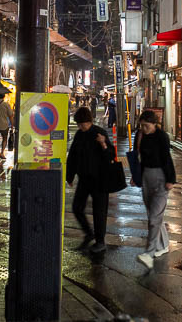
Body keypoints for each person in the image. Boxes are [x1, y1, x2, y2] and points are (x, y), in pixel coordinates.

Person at [133, 110, 176, 270]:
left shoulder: (162, 137)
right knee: (154, 214)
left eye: (146, 126)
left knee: (154, 217)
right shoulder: (141, 135)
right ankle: (163, 245)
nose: (143, 129)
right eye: (141, 126)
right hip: (146, 176)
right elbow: (140, 158)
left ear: (154, 124)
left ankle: (149, 253)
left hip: (161, 177)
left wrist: (171, 179)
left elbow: (167, 158)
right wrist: (136, 176)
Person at [67, 107, 114, 254]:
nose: (81, 127)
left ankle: (100, 242)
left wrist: (103, 143)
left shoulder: (99, 133)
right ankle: (89, 233)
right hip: (84, 179)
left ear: (90, 121)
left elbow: (111, 155)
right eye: (79, 124)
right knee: (77, 207)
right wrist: (70, 175)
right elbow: (73, 156)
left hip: (100, 180)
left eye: (83, 124)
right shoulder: (80, 135)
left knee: (99, 212)